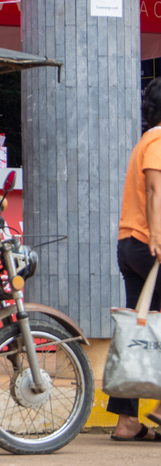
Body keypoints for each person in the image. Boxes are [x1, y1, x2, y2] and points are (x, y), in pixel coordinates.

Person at [107, 77, 161, 441]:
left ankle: (127, 421)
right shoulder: (158, 139)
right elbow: (157, 187)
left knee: (137, 329)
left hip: (130, 243)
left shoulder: (145, 139)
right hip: (148, 243)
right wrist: (158, 235)